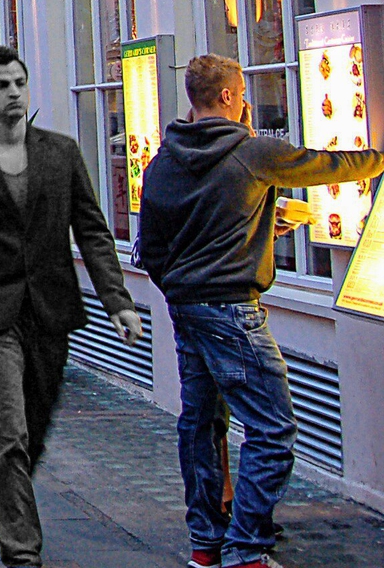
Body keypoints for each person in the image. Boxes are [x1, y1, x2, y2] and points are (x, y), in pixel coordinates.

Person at [140, 54, 384, 568]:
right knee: (273, 430)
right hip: (232, 310)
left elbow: (156, 245)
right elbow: (325, 164)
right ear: (228, 96)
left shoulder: (164, 160)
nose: (248, 103)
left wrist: (197, 278)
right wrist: (380, 157)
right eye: (243, 95)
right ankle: (247, 550)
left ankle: (206, 545)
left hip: (186, 310)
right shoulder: (250, 152)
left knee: (201, 425)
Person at [0, 47, 141, 568]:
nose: (13, 93)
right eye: (0, 85)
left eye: (19, 82)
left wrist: (118, 300)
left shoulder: (61, 154)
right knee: (7, 431)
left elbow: (91, 229)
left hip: (51, 310)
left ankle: (3, 493)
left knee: (36, 426)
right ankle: (22, 548)